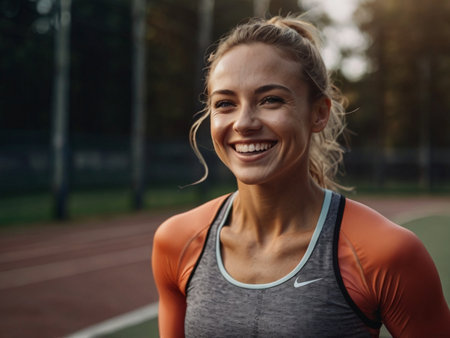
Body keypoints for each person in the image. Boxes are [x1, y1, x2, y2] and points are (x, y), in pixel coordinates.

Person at [152, 15, 450, 337]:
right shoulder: (177, 242)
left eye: (271, 100)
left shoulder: (385, 252)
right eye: (225, 103)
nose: (243, 123)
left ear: (319, 113)